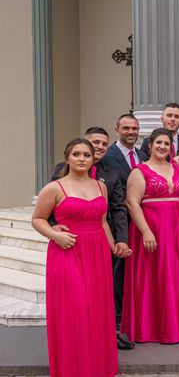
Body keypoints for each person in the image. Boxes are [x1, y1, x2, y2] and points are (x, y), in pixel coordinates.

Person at [32, 139, 119, 377]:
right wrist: (54, 235)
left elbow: (103, 222)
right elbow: (37, 219)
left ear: (93, 159)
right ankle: (73, 375)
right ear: (67, 158)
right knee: (76, 309)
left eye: (87, 155)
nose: (82, 158)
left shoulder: (100, 187)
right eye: (76, 154)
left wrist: (112, 246)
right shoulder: (54, 188)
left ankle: (96, 370)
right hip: (67, 251)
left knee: (96, 310)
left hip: (97, 253)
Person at [51, 127, 133, 350]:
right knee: (76, 299)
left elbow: (116, 211)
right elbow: (47, 212)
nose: (98, 147)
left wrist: (121, 241)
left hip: (100, 243)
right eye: (94, 142)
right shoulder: (60, 174)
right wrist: (54, 230)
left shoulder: (111, 176)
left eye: (103, 144)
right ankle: (75, 345)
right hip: (69, 243)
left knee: (105, 294)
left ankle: (109, 334)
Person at [122, 128, 179, 343]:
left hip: (176, 230)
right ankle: (153, 328)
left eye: (166, 144)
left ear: (171, 147)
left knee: (177, 276)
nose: (162, 147)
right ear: (150, 145)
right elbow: (132, 203)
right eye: (158, 143)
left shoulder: (178, 169)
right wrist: (146, 231)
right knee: (153, 276)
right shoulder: (139, 171)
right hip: (151, 231)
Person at [103, 114, 144, 191]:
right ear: (117, 130)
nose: (131, 132)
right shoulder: (106, 155)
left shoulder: (143, 156)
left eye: (134, 128)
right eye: (126, 128)